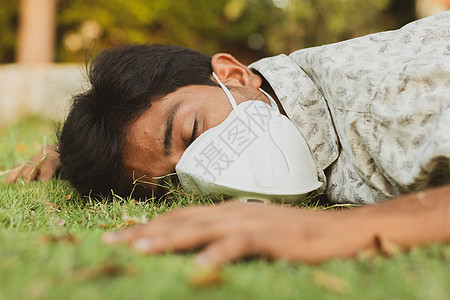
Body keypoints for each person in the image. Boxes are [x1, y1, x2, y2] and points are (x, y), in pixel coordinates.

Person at [5, 12, 450, 265]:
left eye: (192, 131)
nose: (206, 173)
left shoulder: (385, 103)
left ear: (233, 74)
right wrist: (77, 151)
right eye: (174, 183)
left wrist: (340, 230)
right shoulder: (282, 97)